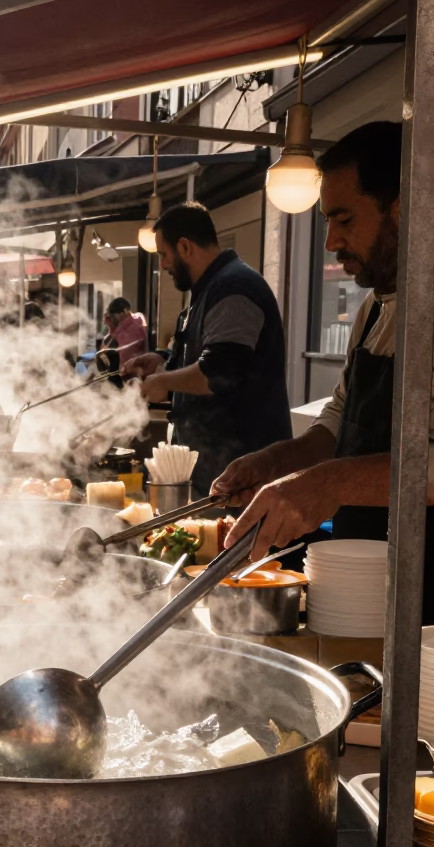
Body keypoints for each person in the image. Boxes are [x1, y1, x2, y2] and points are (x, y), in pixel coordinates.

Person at [214, 122, 434, 620]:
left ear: (403, 210)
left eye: (344, 219)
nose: (331, 241)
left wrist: (332, 484)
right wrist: (277, 462)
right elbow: (339, 421)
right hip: (357, 592)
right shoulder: (375, 311)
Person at [123, 202, 292, 498]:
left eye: (163, 254)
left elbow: (218, 373)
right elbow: (206, 353)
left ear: (185, 246)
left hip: (239, 475)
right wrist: (162, 360)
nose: (161, 265)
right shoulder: (208, 290)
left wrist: (164, 382)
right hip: (214, 470)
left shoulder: (235, 288)